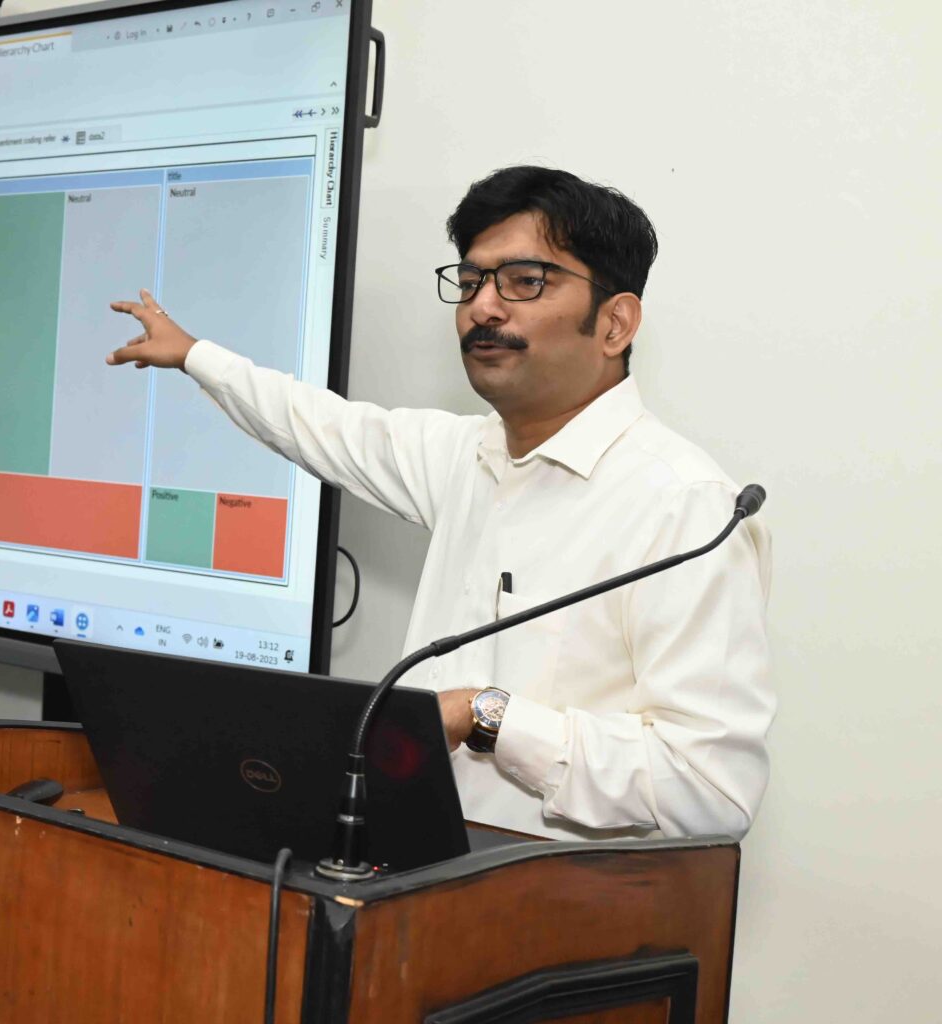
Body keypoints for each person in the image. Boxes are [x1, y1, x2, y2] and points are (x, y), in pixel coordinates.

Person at [105, 166, 773, 842]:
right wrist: (195, 356)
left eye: (524, 280)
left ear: (615, 323)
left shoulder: (685, 506)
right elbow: (320, 425)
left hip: (559, 891)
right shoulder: (468, 454)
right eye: (472, 280)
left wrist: (489, 715)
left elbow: (710, 789)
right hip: (411, 867)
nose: (484, 307)